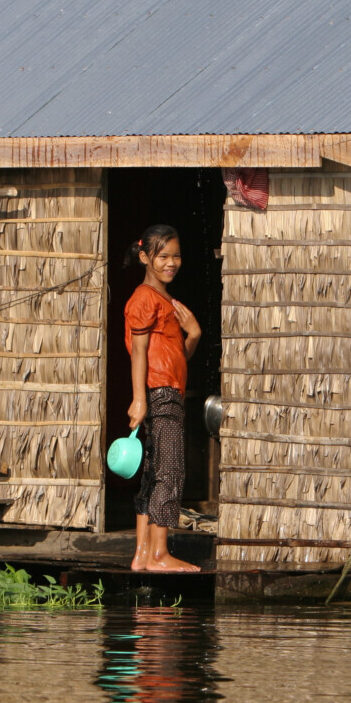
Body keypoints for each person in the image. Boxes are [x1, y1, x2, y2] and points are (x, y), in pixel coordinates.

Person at [124, 224, 203, 572]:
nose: (172, 263)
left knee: (155, 472)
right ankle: (159, 554)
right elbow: (138, 353)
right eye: (163, 257)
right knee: (170, 473)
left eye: (176, 256)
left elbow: (175, 356)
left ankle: (142, 554)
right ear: (145, 258)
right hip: (159, 393)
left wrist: (195, 334)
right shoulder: (144, 298)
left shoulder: (164, 300)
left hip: (167, 390)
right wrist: (139, 399)